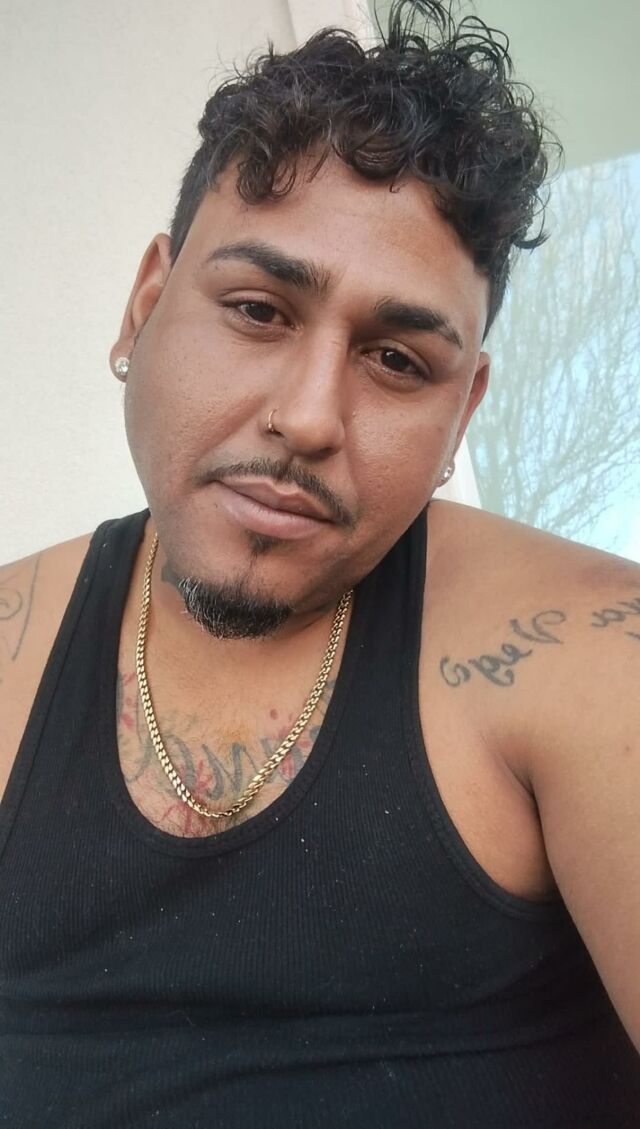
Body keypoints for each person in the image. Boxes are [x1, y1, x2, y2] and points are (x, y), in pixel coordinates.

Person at [1, 1, 639, 1124]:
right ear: (145, 308)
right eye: (257, 309)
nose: (306, 417)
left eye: (397, 360)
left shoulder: (586, 655)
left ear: (462, 413)